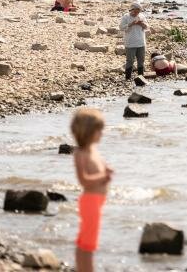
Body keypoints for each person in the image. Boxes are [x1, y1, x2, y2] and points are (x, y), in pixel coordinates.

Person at [71, 108, 112, 272]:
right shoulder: (80, 153)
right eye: (99, 130)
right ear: (88, 132)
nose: (102, 133)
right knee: (88, 245)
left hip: (97, 202)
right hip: (90, 202)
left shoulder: (93, 151)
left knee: (85, 242)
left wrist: (106, 170)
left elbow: (99, 170)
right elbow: (83, 181)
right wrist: (103, 177)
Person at [119, 2, 148, 80]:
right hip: (130, 43)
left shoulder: (141, 16)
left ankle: (141, 77)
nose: (136, 13)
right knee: (130, 61)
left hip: (141, 42)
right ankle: (128, 78)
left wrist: (141, 24)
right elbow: (121, 27)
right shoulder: (126, 17)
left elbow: (146, 27)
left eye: (138, 12)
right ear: (131, 10)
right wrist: (131, 24)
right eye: (135, 11)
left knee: (141, 61)